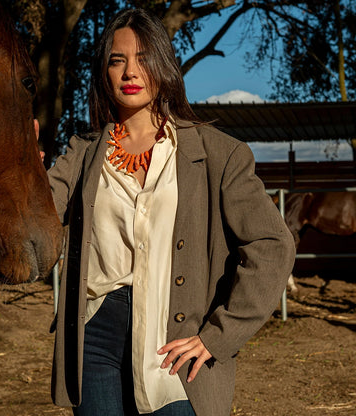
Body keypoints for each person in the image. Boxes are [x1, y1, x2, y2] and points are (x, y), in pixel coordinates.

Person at [47, 8, 296, 416]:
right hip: (94, 337)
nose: (130, 71)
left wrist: (218, 335)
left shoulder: (219, 153)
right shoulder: (82, 153)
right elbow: (39, 219)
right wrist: (17, 169)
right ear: (104, 73)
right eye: (117, 60)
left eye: (143, 58)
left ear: (164, 65)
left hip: (173, 342)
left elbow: (272, 246)